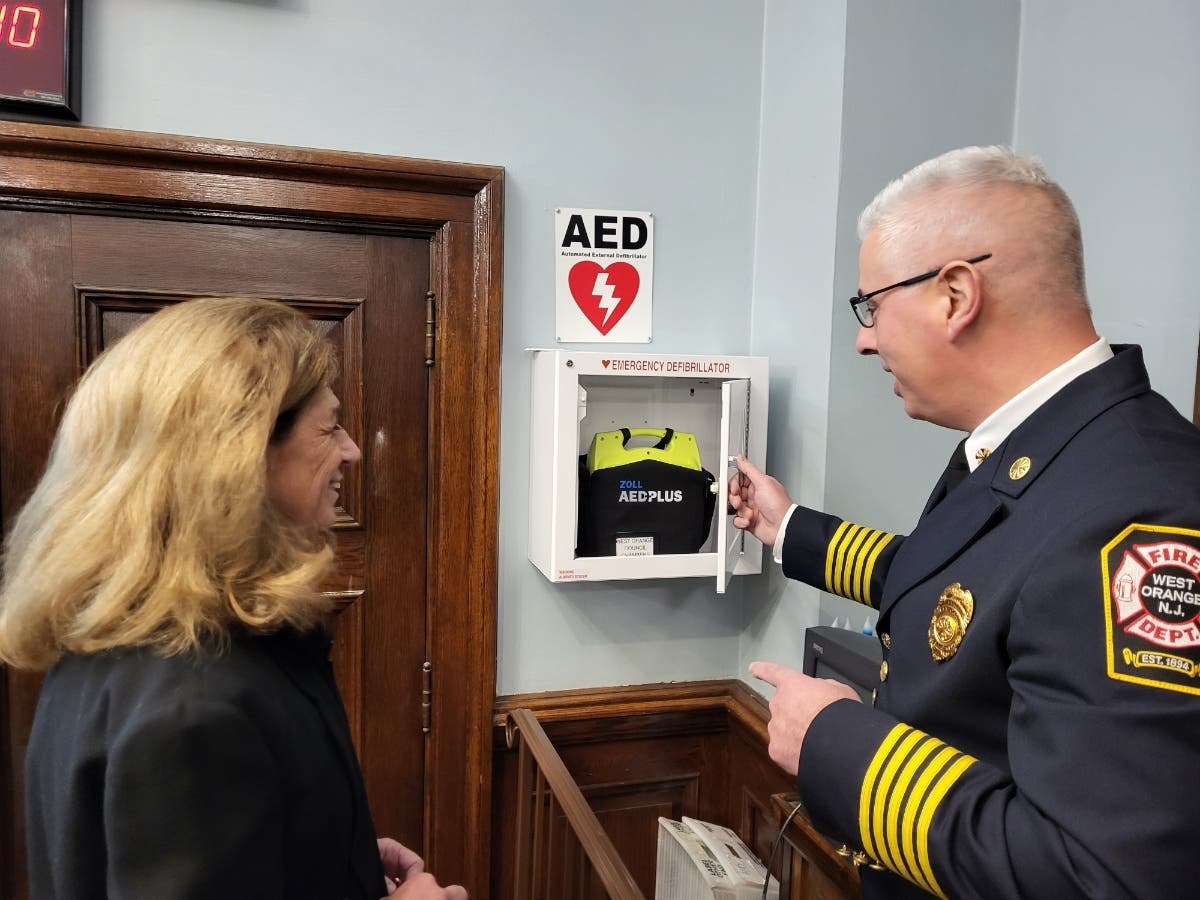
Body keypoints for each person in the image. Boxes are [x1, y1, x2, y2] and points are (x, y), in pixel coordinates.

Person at [729, 147, 1200, 899]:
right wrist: (787, 528)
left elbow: (1098, 876)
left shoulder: (1140, 513)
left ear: (955, 294)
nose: (864, 339)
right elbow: (957, 588)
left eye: (871, 306)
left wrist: (836, 741)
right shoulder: (1048, 445)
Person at [0, 298, 466, 900]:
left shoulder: (115, 642)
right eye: (329, 427)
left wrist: (331, 852)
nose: (352, 450)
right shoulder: (195, 707)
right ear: (238, 455)